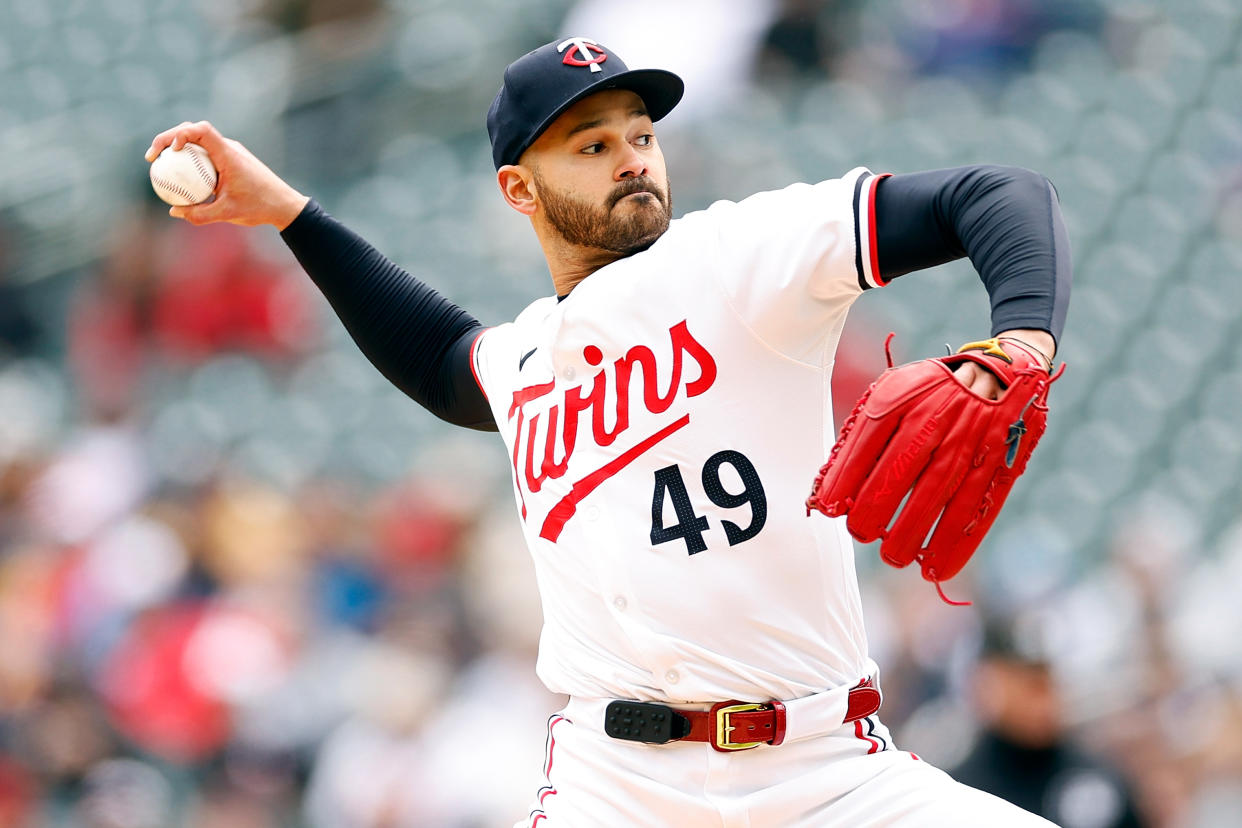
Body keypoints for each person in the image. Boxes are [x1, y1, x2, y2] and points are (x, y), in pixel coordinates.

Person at [146, 36, 1070, 827]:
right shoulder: (527, 361)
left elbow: (997, 194)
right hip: (617, 784)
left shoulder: (740, 257)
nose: (632, 157)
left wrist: (1022, 336)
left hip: (826, 774)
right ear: (518, 189)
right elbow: (438, 359)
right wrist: (288, 215)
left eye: (642, 134)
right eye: (591, 144)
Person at [952, 620, 1145, 827]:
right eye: (1032, 686)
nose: (1046, 701)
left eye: (1050, 682)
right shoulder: (961, 795)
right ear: (988, 685)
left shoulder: (1094, 776)